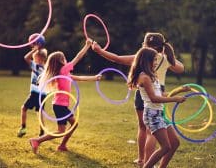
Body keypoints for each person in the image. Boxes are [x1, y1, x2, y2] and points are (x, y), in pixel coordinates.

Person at [92, 32, 184, 166]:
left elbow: (117, 58)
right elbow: (180, 69)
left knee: (150, 132)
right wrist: (168, 55)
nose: (155, 62)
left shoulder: (145, 64)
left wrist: (100, 51)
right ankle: (146, 163)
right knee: (155, 136)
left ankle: (142, 159)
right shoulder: (157, 64)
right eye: (154, 61)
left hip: (154, 104)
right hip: (153, 107)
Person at [29, 39, 101, 154]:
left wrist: (95, 78)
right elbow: (78, 58)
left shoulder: (64, 73)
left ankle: (62, 145)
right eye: (64, 58)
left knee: (73, 124)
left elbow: (79, 78)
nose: (66, 60)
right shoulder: (63, 70)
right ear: (61, 61)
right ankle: (37, 140)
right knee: (60, 130)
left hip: (60, 105)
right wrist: (87, 46)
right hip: (59, 105)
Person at [127, 47, 188, 168]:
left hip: (160, 113)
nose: (156, 63)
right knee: (166, 147)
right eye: (154, 60)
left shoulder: (152, 75)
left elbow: (161, 95)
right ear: (146, 61)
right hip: (152, 115)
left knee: (175, 143)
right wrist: (175, 99)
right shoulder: (144, 77)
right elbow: (154, 98)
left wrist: (179, 90)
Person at [17, 34, 48, 137]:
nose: (33, 60)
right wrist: (36, 50)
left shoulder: (36, 66)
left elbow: (26, 58)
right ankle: (42, 130)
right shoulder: (47, 69)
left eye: (34, 58)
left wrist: (34, 50)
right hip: (44, 94)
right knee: (40, 112)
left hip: (35, 93)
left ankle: (23, 127)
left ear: (39, 59)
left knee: (24, 108)